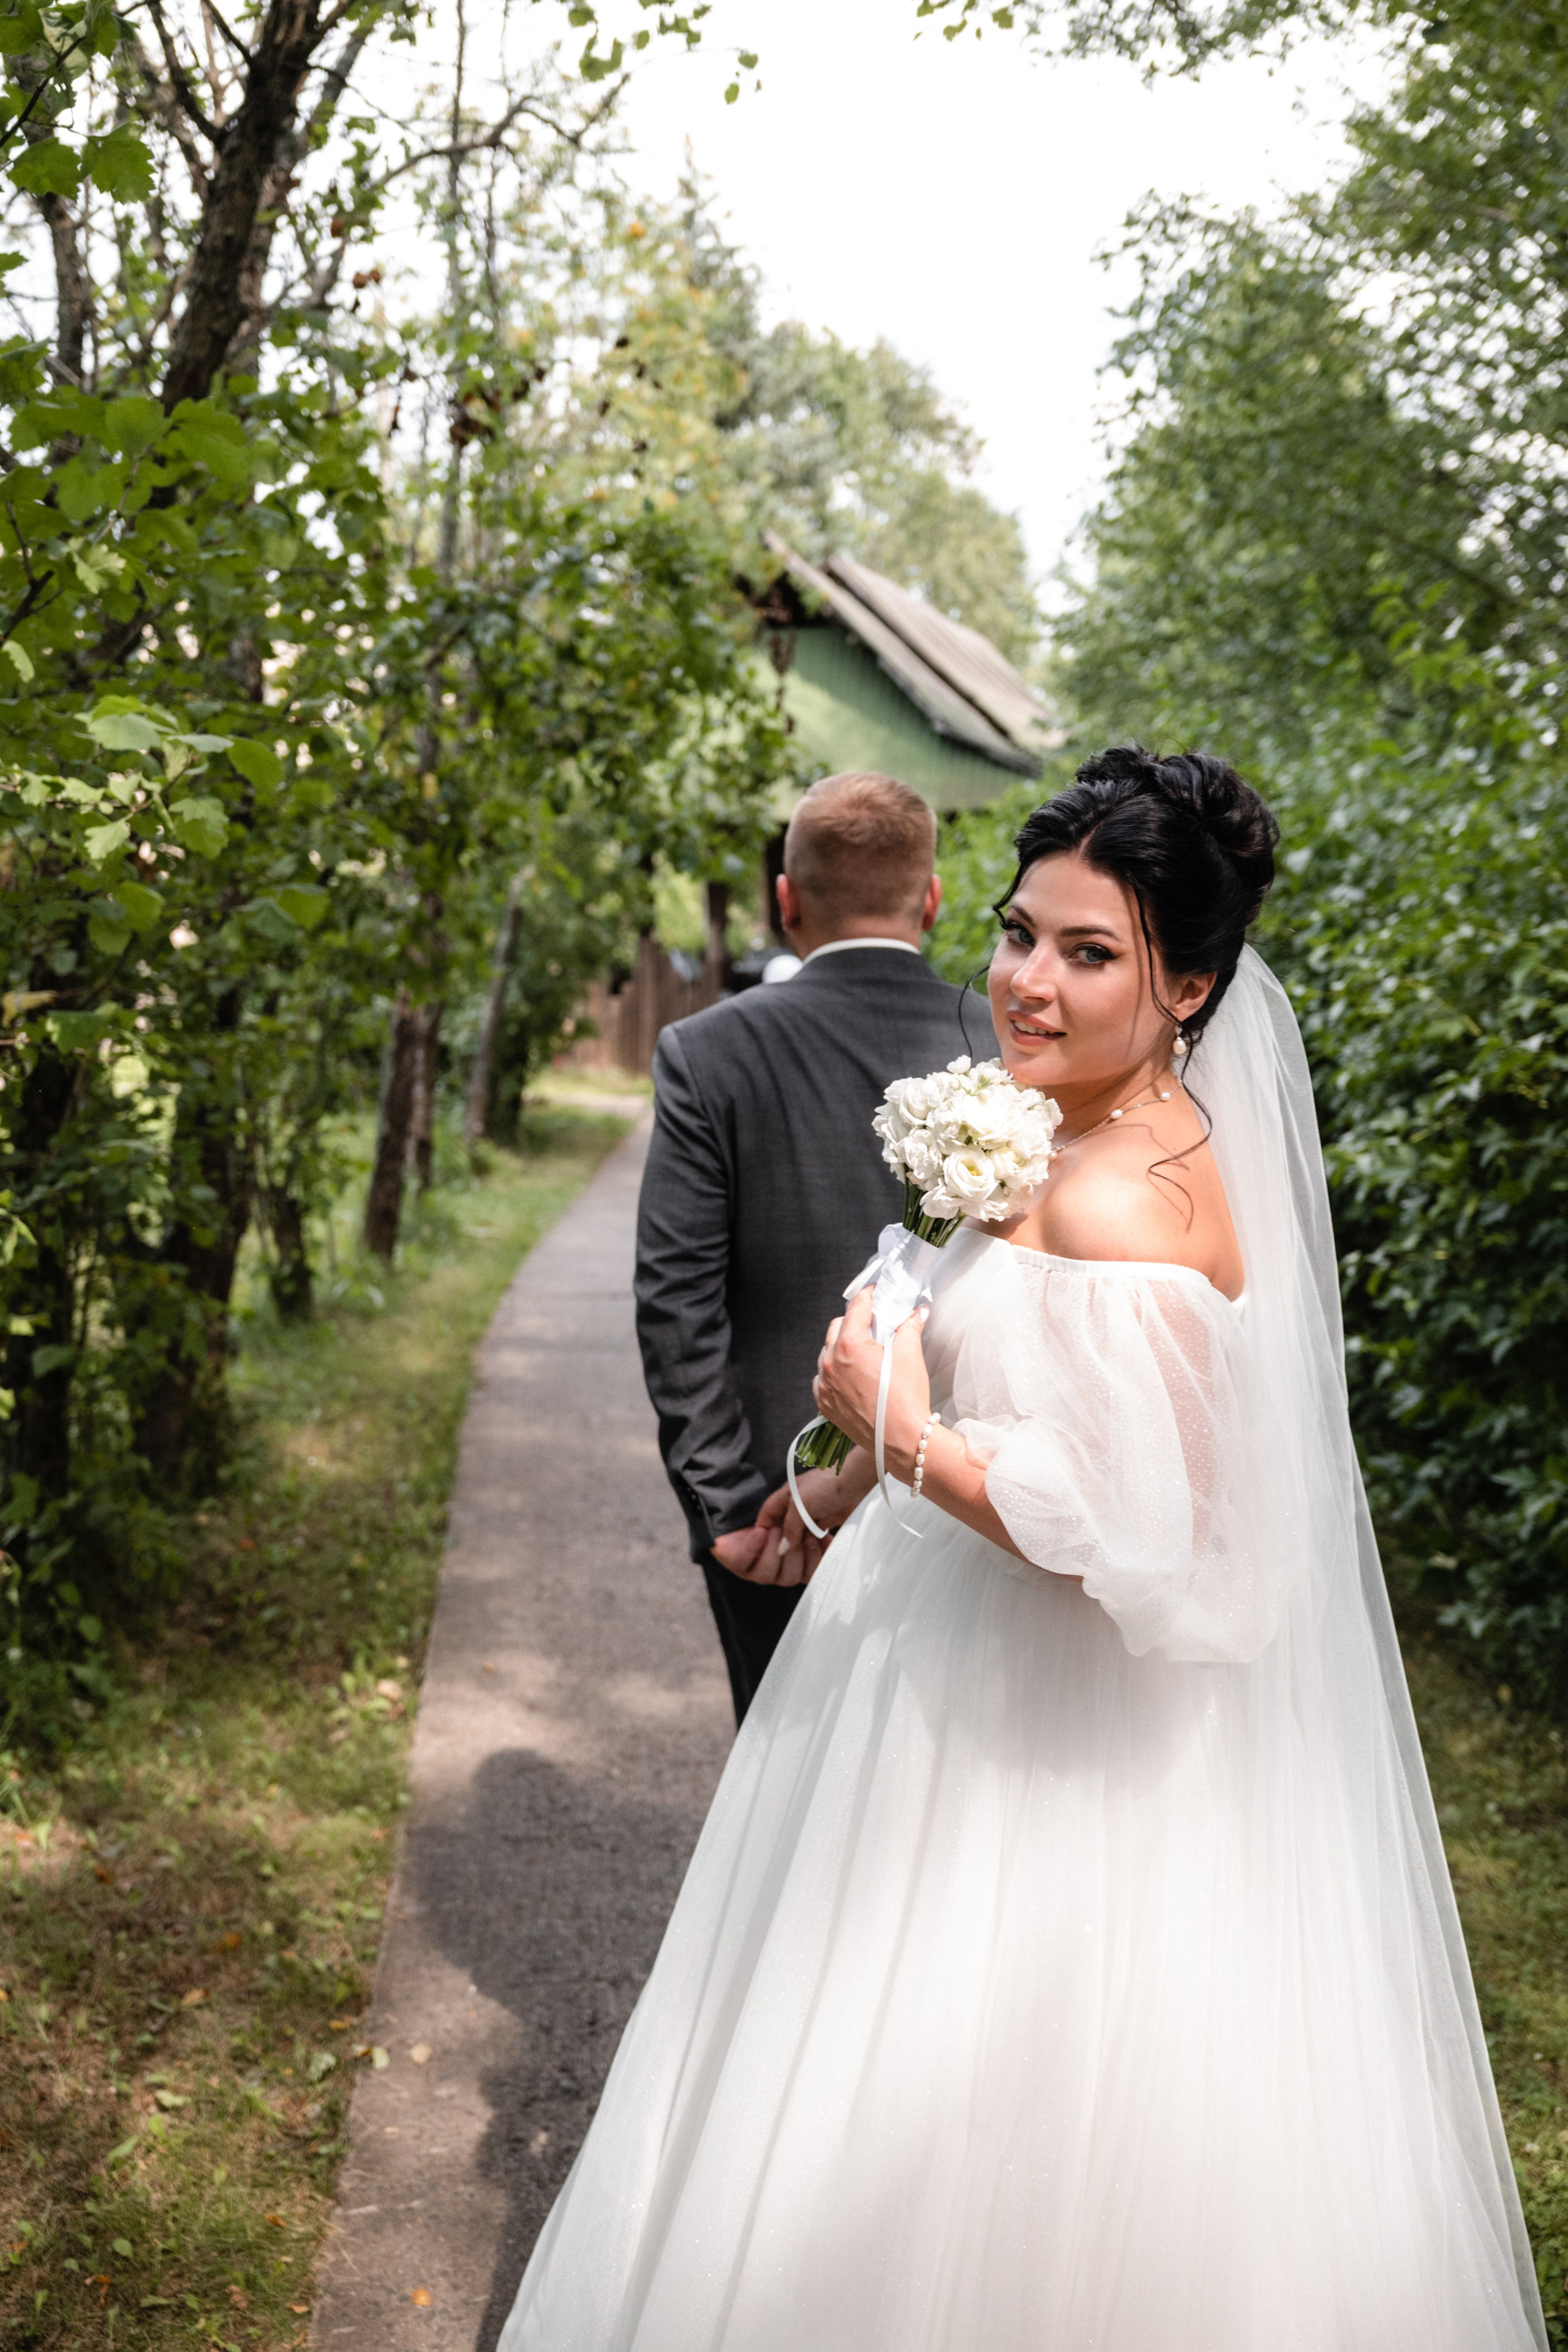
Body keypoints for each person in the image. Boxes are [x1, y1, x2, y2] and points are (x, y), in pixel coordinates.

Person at [502, 747, 1547, 2352]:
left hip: (1043, 1752)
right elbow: (1031, 1405)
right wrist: (837, 1487)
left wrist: (901, 1428)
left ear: (1190, 985)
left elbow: (1172, 1542)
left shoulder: (1139, 1202)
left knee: (983, 2138)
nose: (1025, 985)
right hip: (920, 1680)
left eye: (1089, 952)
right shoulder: (1058, 1140)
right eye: (1015, 933)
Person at [634, 769, 967, 1724]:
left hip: (775, 1512)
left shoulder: (707, 1052)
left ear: (785, 900)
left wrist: (727, 1507)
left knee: (779, 1800)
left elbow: (676, 1298)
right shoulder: (1013, 1050)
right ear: (932, 898)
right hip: (961, 1496)